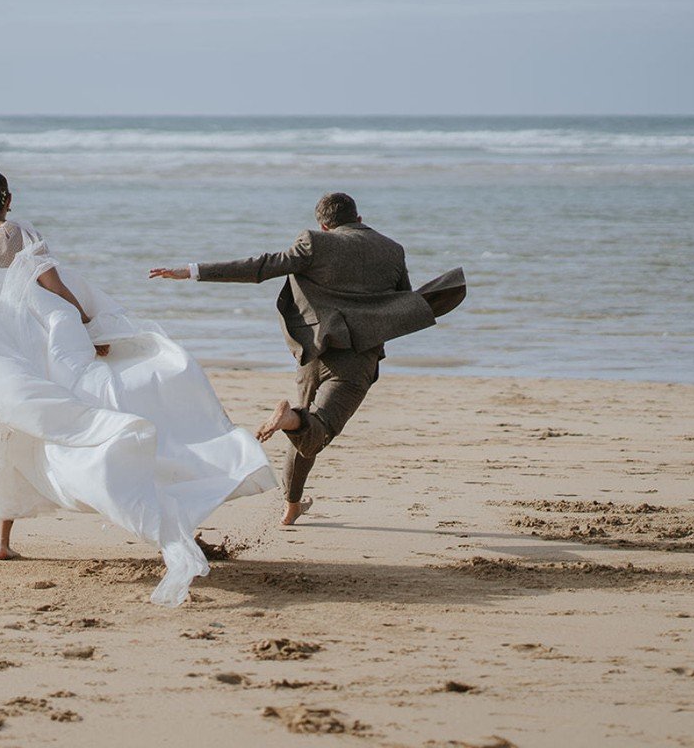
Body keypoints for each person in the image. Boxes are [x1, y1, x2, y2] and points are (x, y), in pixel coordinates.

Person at [0, 170, 275, 605]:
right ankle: (16, 510)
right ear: (9, 200)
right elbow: (53, 285)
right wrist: (89, 323)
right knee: (42, 422)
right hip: (30, 337)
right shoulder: (21, 235)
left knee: (1, 417)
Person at [151, 192, 465, 526]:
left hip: (312, 355)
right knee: (319, 428)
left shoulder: (314, 243)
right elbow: (399, 305)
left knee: (305, 427)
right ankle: (290, 426)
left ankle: (291, 505)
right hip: (357, 360)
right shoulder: (392, 249)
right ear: (359, 219)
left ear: (324, 226)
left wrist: (192, 271)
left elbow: (260, 267)